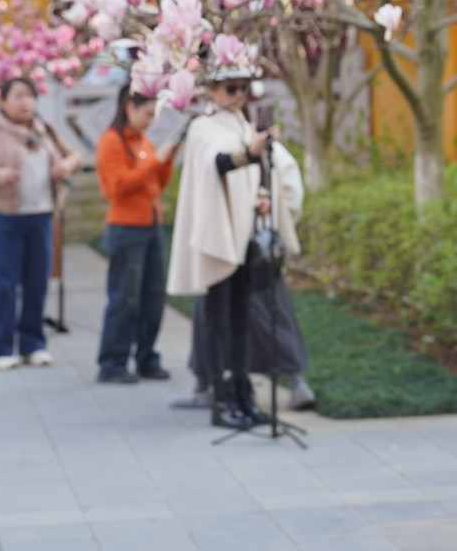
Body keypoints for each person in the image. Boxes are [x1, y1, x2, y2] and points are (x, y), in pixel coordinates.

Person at [166, 68, 288, 430]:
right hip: (218, 233)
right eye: (231, 88)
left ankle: (242, 393)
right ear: (212, 90)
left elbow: (257, 170)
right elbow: (217, 165)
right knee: (217, 318)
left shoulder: (240, 123)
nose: (238, 95)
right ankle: (220, 398)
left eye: (244, 88)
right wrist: (249, 152)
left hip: (243, 230)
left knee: (241, 318)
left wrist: (262, 193)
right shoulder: (203, 127)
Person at [175, 136, 312, 410]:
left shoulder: (260, 144)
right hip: (224, 247)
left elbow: (287, 188)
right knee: (215, 317)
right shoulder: (214, 134)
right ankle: (206, 385)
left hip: (252, 246)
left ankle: (296, 384)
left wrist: (273, 215)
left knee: (268, 314)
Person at [0, 77, 82, 370]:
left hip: (41, 216)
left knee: (37, 282)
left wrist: (66, 166)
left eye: (30, 96)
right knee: (4, 284)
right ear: (2, 102)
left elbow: (75, 155)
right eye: (18, 96)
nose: (25, 102)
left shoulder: (45, 129)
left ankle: (33, 344)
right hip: (5, 217)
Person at [94, 85, 177, 384]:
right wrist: (154, 161)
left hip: (150, 225)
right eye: (147, 113)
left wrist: (166, 161)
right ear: (130, 107)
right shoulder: (111, 141)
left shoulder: (143, 141)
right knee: (124, 299)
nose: (151, 120)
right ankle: (112, 363)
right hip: (126, 228)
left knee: (153, 297)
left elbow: (155, 185)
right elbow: (117, 186)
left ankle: (146, 358)